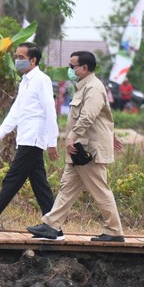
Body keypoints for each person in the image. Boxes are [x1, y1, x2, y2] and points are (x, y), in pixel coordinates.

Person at [28, 51, 125, 243]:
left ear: (84, 68)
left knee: (100, 190)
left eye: (72, 66)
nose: (69, 70)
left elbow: (88, 116)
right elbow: (101, 118)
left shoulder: (93, 88)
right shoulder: (83, 88)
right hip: (80, 150)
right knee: (67, 188)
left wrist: (71, 138)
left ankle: (114, 231)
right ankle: (51, 225)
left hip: (89, 152)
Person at [0, 43, 59, 236]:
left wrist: (52, 142)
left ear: (33, 60)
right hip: (25, 137)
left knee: (12, 179)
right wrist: (0, 133)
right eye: (17, 56)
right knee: (39, 184)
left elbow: (51, 111)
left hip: (34, 138)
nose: (17, 60)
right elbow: (16, 111)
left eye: (21, 57)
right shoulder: (25, 82)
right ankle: (54, 227)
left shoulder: (42, 80)